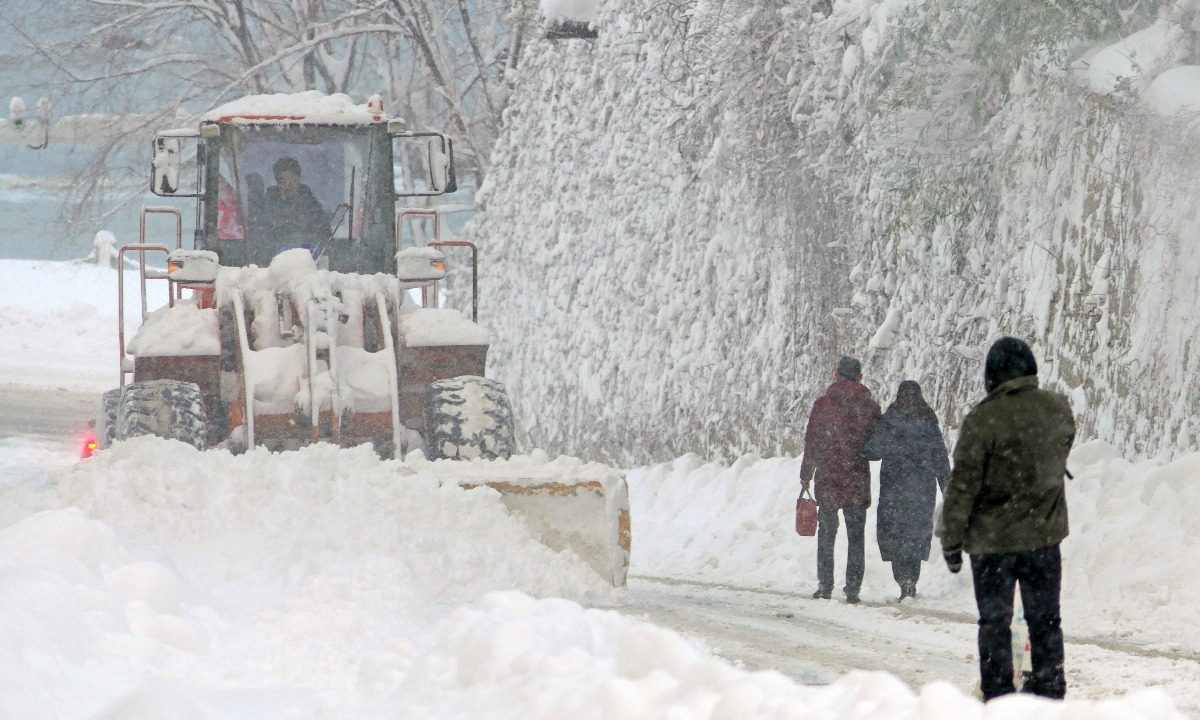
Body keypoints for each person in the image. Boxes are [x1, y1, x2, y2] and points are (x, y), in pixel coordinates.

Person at [941, 337, 1075, 701]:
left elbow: (962, 487)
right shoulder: (1058, 408)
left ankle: (999, 694)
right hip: (1044, 537)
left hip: (992, 544)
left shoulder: (982, 420)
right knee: (1046, 620)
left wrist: (950, 540)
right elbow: (1061, 449)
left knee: (995, 623)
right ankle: (1050, 690)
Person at [799, 356, 881, 604]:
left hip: (829, 476)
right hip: (855, 476)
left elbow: (812, 440)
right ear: (860, 377)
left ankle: (825, 586)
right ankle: (853, 589)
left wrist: (806, 475)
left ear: (836, 375)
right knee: (856, 536)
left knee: (827, 534)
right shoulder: (869, 406)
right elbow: (878, 446)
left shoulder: (823, 404)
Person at [864, 380, 949, 602]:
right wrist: (947, 488)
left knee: (896, 535)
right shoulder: (929, 422)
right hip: (922, 490)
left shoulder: (890, 421)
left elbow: (874, 451)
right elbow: (940, 458)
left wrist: (863, 438)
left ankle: (903, 581)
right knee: (916, 534)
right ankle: (912, 581)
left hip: (894, 489)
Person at [264, 157, 331, 239]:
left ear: (299, 179)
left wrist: (300, 225)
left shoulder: (312, 206)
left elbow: (325, 235)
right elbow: (260, 234)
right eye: (283, 181)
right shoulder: (267, 205)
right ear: (277, 182)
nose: (289, 186)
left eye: (293, 180)